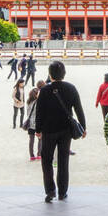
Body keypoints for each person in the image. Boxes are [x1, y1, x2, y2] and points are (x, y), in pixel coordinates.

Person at [35, 60, 86, 202]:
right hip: (65, 130)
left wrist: (38, 130)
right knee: (63, 160)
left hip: (49, 129)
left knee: (47, 160)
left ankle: (50, 190)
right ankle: (63, 192)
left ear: (50, 74)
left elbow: (40, 112)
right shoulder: (71, 88)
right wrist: (83, 127)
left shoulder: (44, 90)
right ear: (64, 74)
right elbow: (78, 109)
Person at [24, 85, 42, 160]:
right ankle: (39, 154)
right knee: (40, 139)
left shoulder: (28, 102)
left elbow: (28, 113)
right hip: (37, 123)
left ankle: (31, 155)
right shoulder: (38, 102)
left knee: (31, 140)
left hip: (30, 123)